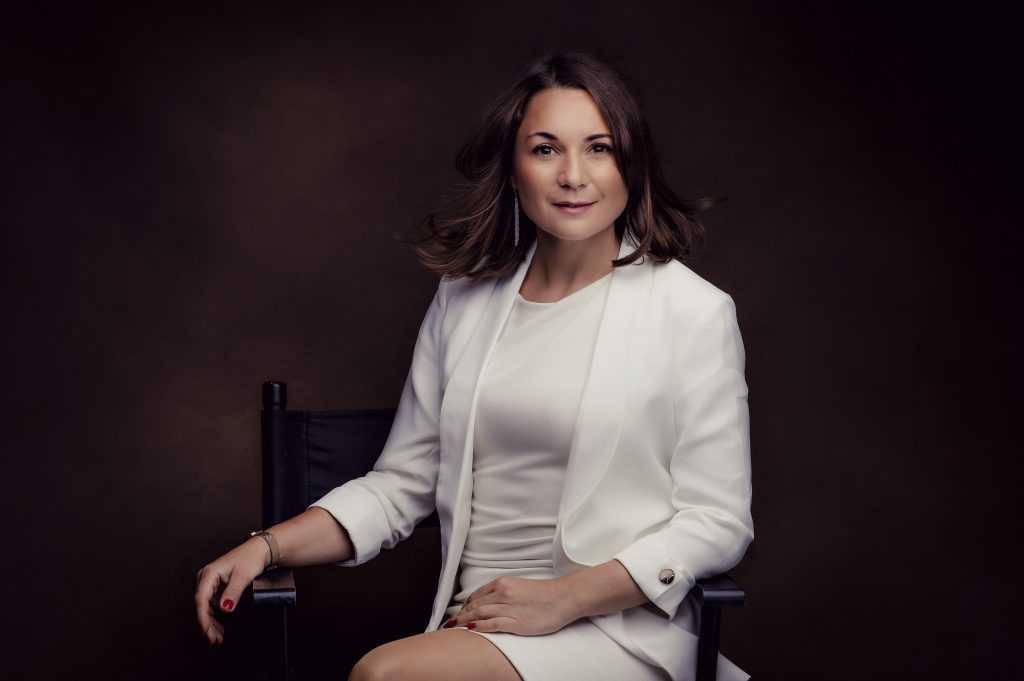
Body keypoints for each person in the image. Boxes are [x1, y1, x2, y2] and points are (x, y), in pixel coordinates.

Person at [195, 51, 753, 681]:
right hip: (479, 622)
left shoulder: (693, 312)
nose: (573, 175)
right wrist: (267, 546)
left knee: (385, 677)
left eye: (599, 148)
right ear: (513, 170)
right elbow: (402, 484)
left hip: (618, 626)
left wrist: (565, 598)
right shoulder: (464, 299)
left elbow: (718, 521)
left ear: (632, 163)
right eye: (545, 149)